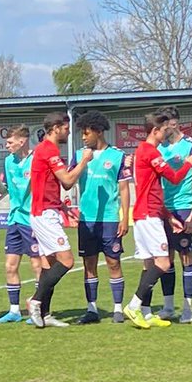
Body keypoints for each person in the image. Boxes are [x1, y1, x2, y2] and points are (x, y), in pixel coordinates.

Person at [123, 113, 192, 329]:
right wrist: (189, 163)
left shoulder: (141, 151)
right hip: (148, 216)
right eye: (164, 130)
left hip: (147, 213)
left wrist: (169, 216)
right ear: (155, 131)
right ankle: (134, 305)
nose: (167, 133)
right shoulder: (149, 151)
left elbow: (151, 190)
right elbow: (173, 177)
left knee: (149, 264)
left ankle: (145, 313)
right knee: (163, 262)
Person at [27, 113, 93, 329]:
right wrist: (83, 160)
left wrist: (62, 206)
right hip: (44, 213)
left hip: (47, 211)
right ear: (55, 128)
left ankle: (45, 314)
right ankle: (35, 301)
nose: (68, 132)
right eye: (65, 128)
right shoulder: (48, 150)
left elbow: (61, 185)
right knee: (66, 261)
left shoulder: (47, 150)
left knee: (50, 264)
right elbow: (67, 180)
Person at [69, 111, 132, 324]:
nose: (83, 138)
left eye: (86, 133)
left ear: (98, 131)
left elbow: (124, 189)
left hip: (110, 219)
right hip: (86, 219)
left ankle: (117, 309)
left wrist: (125, 218)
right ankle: (92, 309)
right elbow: (68, 180)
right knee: (89, 264)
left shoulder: (117, 156)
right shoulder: (79, 156)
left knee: (114, 262)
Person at [155, 106, 192, 323]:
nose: (161, 129)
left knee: (186, 256)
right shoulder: (158, 147)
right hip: (162, 210)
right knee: (165, 259)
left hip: (183, 208)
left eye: (164, 124)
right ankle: (168, 306)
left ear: (174, 123)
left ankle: (188, 307)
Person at [0, 125, 40, 324]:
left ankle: (39, 309)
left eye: (10, 142)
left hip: (32, 220)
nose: (7, 146)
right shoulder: (8, 161)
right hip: (14, 219)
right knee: (10, 266)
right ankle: (14, 311)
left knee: (36, 265)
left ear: (22, 141)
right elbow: (4, 190)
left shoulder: (35, 160)